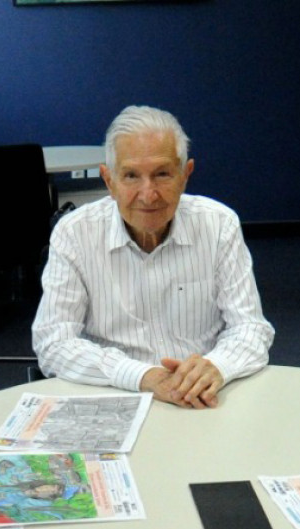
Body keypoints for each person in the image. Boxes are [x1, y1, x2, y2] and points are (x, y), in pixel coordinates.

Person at [31, 105, 274, 409]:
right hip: (114, 395)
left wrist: (217, 366)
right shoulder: (75, 233)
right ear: (109, 181)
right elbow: (53, 342)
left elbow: (251, 327)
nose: (148, 194)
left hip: (203, 397)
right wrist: (144, 376)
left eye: (162, 174)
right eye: (131, 176)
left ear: (185, 175)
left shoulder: (218, 224)